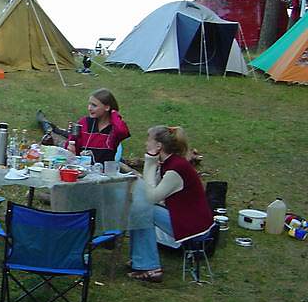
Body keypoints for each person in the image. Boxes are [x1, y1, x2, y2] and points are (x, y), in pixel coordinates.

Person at [127, 125, 214, 282]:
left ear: (158, 146)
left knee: (143, 210)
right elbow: (152, 188)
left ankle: (149, 267)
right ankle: (141, 259)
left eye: (149, 140)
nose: (146, 143)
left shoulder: (176, 169)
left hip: (195, 226)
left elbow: (152, 197)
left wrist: (149, 162)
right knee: (139, 208)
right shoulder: (170, 163)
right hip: (186, 218)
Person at [66, 88, 130, 164]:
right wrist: (73, 136)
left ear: (107, 107)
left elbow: (122, 132)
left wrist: (114, 113)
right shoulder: (84, 122)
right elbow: (71, 148)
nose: (89, 108)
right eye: (89, 104)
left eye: (94, 105)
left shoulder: (114, 128)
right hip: (84, 168)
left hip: (105, 170)